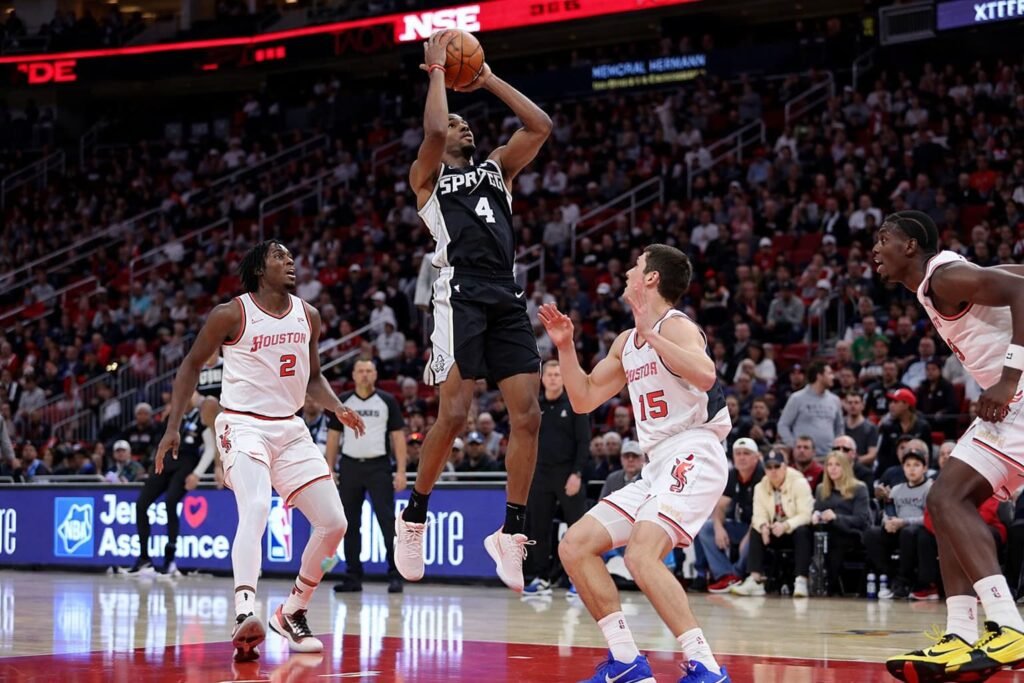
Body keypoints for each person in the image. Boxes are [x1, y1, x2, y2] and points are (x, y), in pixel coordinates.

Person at [154, 240, 366, 663]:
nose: (290, 261)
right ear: (257, 270)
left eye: (291, 256)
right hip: (242, 424)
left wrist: (338, 406)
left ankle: (292, 611)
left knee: (334, 523)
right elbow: (191, 366)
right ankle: (245, 612)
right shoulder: (231, 313)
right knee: (255, 507)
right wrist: (173, 426)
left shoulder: (310, 315)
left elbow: (313, 378)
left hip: (290, 428)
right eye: (279, 257)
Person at [396, 30, 551, 592]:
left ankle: (510, 532)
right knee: (455, 415)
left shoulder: (496, 170)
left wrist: (485, 78)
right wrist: (437, 70)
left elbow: (540, 127)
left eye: (469, 121)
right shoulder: (430, 178)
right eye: (459, 121)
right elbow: (435, 129)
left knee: (528, 416)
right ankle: (414, 514)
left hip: (504, 291)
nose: (464, 124)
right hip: (456, 291)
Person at [539, 244, 734, 683]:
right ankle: (626, 659)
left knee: (642, 555)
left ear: (651, 279)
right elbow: (584, 397)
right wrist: (566, 348)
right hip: (656, 463)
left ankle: (705, 666)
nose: (627, 270)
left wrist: (655, 332)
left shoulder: (677, 325)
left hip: (695, 449)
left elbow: (705, 375)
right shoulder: (627, 341)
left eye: (636, 266)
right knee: (575, 546)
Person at [874, 211, 1024, 681]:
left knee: (946, 498)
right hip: (1009, 406)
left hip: (1018, 397)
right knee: (945, 505)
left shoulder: (945, 277)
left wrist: (1007, 379)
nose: (875, 249)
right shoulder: (942, 281)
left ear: (911, 246)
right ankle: (961, 632)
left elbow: (1021, 291)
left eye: (884, 239)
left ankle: (1007, 624)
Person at [326, 358, 407, 594]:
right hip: (350, 466)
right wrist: (330, 468)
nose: (364, 375)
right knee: (349, 524)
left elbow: (398, 437)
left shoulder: (387, 401)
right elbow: (333, 436)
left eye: (368, 371)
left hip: (379, 467)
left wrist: (401, 470)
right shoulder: (343, 403)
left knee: (386, 522)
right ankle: (353, 576)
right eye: (360, 371)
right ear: (353, 374)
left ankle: (395, 574)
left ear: (375, 374)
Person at [523, 359, 591, 596]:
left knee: (577, 530)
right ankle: (542, 578)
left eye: (557, 374)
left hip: (567, 474)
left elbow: (584, 442)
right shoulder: (535, 406)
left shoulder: (575, 404)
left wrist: (577, 473)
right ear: (542, 379)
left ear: (563, 378)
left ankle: (579, 580)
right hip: (540, 475)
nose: (553, 378)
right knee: (538, 529)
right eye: (549, 374)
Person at [731, 449, 813, 598]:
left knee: (803, 531)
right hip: (773, 531)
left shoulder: (799, 483)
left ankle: (801, 580)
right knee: (756, 529)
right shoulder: (760, 487)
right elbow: (758, 514)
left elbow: (806, 515)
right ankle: (755, 580)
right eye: (769, 467)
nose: (773, 471)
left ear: (785, 466)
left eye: (777, 466)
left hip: (793, 530)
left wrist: (786, 525)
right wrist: (763, 526)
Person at [697, 437, 764, 594]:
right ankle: (727, 575)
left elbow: (763, 515)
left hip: (760, 527)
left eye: (746, 453)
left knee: (753, 538)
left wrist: (749, 536)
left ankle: (737, 574)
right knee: (707, 529)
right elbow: (720, 506)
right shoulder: (732, 475)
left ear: (756, 457)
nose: (741, 457)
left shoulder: (763, 476)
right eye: (738, 453)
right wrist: (719, 527)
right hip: (740, 525)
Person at [863, 448, 931, 599]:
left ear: (925, 468)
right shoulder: (896, 489)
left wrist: (904, 522)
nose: (911, 469)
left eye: (916, 465)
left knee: (909, 532)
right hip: (898, 528)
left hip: (919, 531)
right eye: (908, 465)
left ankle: (905, 580)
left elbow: (930, 518)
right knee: (871, 534)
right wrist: (888, 522)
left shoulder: (930, 488)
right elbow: (888, 512)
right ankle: (891, 577)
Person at [811, 452, 872, 595]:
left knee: (836, 538)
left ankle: (828, 586)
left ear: (846, 467)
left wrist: (836, 517)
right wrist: (815, 515)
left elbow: (861, 519)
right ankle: (806, 581)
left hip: (852, 533)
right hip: (827, 531)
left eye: (837, 465)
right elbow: (817, 511)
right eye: (829, 465)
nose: (833, 469)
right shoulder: (821, 489)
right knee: (806, 534)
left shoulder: (859, 488)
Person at [778, 361, 844, 457]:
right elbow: (783, 425)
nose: (833, 377)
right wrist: (794, 446)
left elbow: (839, 427)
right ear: (819, 376)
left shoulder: (835, 400)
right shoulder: (797, 398)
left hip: (829, 457)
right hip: (803, 458)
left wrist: (837, 449)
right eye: (829, 373)